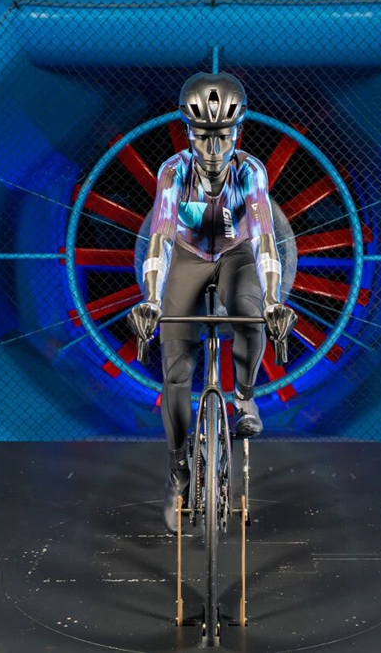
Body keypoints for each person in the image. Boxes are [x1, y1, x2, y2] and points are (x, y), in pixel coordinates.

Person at [128, 72, 297, 532]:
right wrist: (151, 298)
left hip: (237, 255)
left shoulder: (251, 171)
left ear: (237, 132)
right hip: (187, 257)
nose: (213, 148)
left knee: (251, 313)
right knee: (175, 371)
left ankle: (244, 399)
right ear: (189, 132)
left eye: (222, 136)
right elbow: (161, 234)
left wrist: (273, 298)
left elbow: (264, 237)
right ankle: (178, 472)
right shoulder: (173, 172)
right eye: (203, 136)